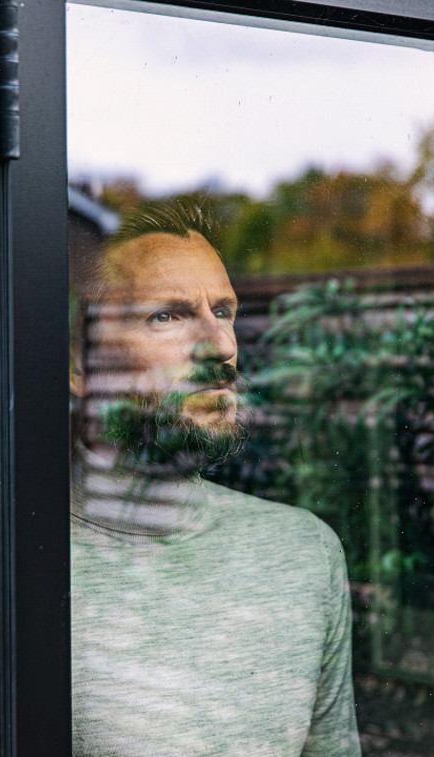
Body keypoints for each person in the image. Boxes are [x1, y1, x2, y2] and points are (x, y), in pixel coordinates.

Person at [68, 199, 361, 756]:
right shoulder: (15, 563)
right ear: (80, 364)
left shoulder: (303, 552)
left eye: (223, 311)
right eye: (167, 315)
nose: (223, 346)